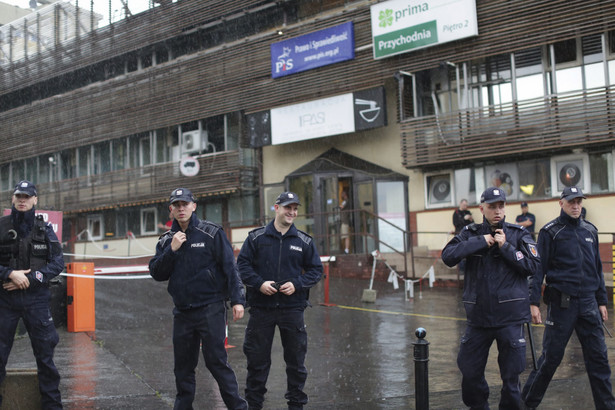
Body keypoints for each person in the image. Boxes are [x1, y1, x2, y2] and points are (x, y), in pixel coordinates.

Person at [149, 187, 248, 410]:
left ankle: (238, 407)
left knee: (216, 362)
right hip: (183, 312)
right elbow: (156, 272)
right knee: (183, 367)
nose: (181, 208)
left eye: (185, 204)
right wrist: (172, 250)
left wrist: (238, 299)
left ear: (194, 206)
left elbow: (230, 268)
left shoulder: (211, 233)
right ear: (171, 210)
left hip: (211, 308)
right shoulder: (167, 240)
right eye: (177, 205)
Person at [441, 187, 540, 409]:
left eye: (501, 206)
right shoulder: (470, 232)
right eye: (492, 206)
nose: (497, 211)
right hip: (479, 318)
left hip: (510, 318)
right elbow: (447, 256)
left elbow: (532, 265)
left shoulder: (518, 233)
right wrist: (480, 241)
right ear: (482, 208)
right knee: (469, 371)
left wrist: (506, 247)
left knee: (511, 377)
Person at [522, 186, 615, 409]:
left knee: (599, 360)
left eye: (579, 202)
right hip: (562, 304)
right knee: (550, 359)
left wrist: (602, 301)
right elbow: (538, 269)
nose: (576, 206)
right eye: (571, 202)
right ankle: (525, 404)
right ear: (561, 203)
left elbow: (596, 268)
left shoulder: (590, 230)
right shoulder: (550, 232)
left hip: (589, 304)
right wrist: (533, 302)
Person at [237, 191, 323, 410]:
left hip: (292, 309)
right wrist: (259, 283)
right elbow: (242, 266)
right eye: (287, 208)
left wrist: (297, 284)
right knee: (257, 362)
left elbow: (315, 271)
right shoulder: (256, 238)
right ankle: (254, 405)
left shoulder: (303, 241)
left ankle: (296, 405)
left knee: (296, 363)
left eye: (295, 209)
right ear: (276, 208)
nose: (292, 212)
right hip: (261, 309)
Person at [0, 180, 64, 409]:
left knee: (45, 357)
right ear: (13, 199)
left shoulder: (44, 229)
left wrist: (29, 278)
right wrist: (9, 273)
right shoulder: (1, 226)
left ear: (35, 200)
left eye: (27, 197)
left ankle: (52, 406)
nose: (22, 200)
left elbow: (58, 263)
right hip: (5, 300)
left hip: (36, 299)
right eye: (19, 196)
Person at [339, 189, 351, 254]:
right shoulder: (345, 201)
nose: (341, 195)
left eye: (342, 194)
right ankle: (344, 249)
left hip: (345, 221)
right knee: (343, 236)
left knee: (346, 236)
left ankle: (346, 250)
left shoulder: (346, 201)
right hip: (343, 221)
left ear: (345, 194)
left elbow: (341, 206)